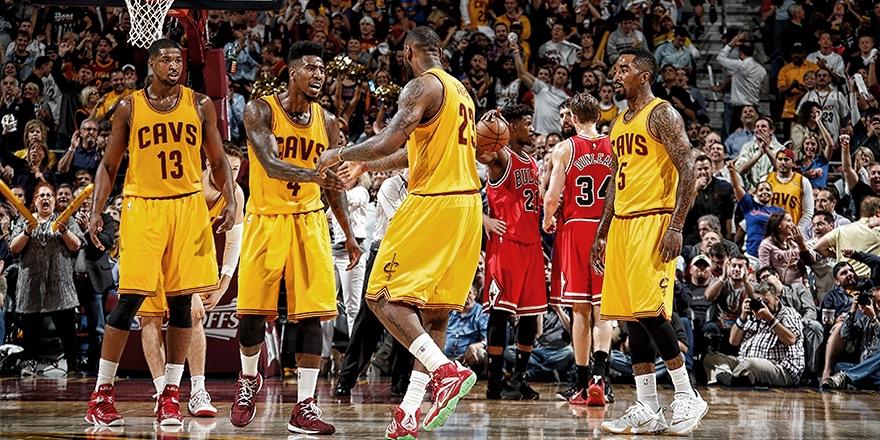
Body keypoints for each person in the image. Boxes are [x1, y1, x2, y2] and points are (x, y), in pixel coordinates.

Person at [316, 27, 483, 440]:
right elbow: (411, 151)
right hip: (468, 205)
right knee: (434, 312)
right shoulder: (461, 92)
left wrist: (340, 153)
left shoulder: (421, 85)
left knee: (380, 296)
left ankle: (446, 370)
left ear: (409, 52)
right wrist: (366, 167)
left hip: (434, 202)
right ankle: (409, 411)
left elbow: (391, 137)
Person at [84, 38, 238, 427]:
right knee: (131, 300)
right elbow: (108, 164)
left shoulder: (200, 104)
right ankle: (101, 393)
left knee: (184, 305)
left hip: (187, 206)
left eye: (179, 59)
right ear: (151, 64)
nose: (174, 65)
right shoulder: (128, 107)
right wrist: (97, 210)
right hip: (143, 206)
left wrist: (231, 201)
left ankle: (170, 394)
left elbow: (218, 160)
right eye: (166, 59)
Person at [229, 41, 360, 436]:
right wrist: (314, 176)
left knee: (313, 317)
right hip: (267, 219)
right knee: (252, 315)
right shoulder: (260, 110)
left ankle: (304, 406)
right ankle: (249, 380)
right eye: (311, 68)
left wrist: (349, 235)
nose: (319, 75)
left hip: (310, 221)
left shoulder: (329, 121)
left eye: (322, 69)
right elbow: (269, 163)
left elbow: (334, 186)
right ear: (292, 72)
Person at [593, 48, 707, 435]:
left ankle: (688, 394)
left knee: (652, 313)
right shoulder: (619, 123)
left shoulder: (661, 113)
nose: (615, 73)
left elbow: (689, 168)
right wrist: (602, 231)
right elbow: (614, 182)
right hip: (623, 224)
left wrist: (677, 226)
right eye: (614, 68)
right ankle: (647, 406)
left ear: (644, 76)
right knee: (631, 317)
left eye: (623, 68)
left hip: (654, 221)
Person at [138, 145, 246, 418]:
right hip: (152, 245)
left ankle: (198, 391)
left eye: (236, 170)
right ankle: (163, 392)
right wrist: (190, 291)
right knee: (150, 318)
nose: (230, 175)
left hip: (188, 249)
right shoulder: (189, 184)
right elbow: (174, 237)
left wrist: (224, 281)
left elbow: (234, 239)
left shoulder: (235, 193)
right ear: (210, 163)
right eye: (226, 168)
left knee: (194, 317)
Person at [544, 92, 614, 406]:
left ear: (572, 117)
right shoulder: (614, 147)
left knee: (580, 311)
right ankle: (601, 375)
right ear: (598, 115)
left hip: (576, 229)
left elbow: (552, 196)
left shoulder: (564, 148)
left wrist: (547, 220)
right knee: (603, 310)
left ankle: (582, 384)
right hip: (606, 230)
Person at [477, 104, 544, 401]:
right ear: (513, 128)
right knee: (500, 314)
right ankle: (493, 381)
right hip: (506, 246)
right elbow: (473, 159)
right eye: (527, 124)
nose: (531, 129)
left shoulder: (530, 161)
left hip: (532, 244)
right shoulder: (501, 156)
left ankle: (519, 376)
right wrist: (482, 217)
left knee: (531, 316)